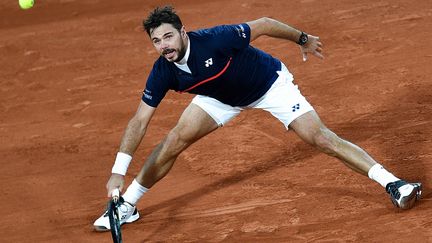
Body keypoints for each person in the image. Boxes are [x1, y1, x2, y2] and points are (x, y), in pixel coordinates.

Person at [94, 6, 422, 231]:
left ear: (182, 32)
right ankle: (128, 205)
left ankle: (392, 183)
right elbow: (139, 121)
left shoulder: (218, 39)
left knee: (321, 138)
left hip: (269, 85)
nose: (163, 46)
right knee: (174, 140)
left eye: (168, 36)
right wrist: (117, 171)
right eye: (156, 41)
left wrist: (302, 38)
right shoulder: (163, 71)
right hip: (219, 97)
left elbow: (263, 24)